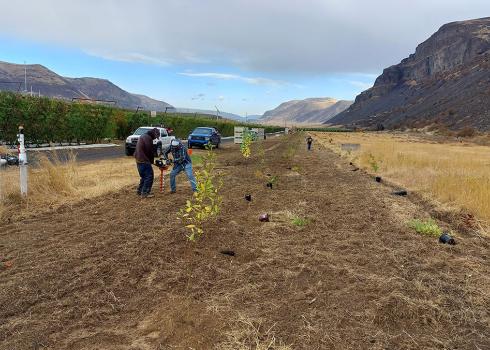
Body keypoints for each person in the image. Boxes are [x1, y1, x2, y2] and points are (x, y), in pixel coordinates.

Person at [134, 127, 160, 198]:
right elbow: (149, 152)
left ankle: (140, 191)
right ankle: (145, 193)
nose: (155, 139)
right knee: (149, 176)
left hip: (138, 159)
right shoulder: (148, 138)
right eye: (155, 137)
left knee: (144, 176)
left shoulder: (143, 136)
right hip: (143, 160)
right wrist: (151, 161)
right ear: (154, 134)